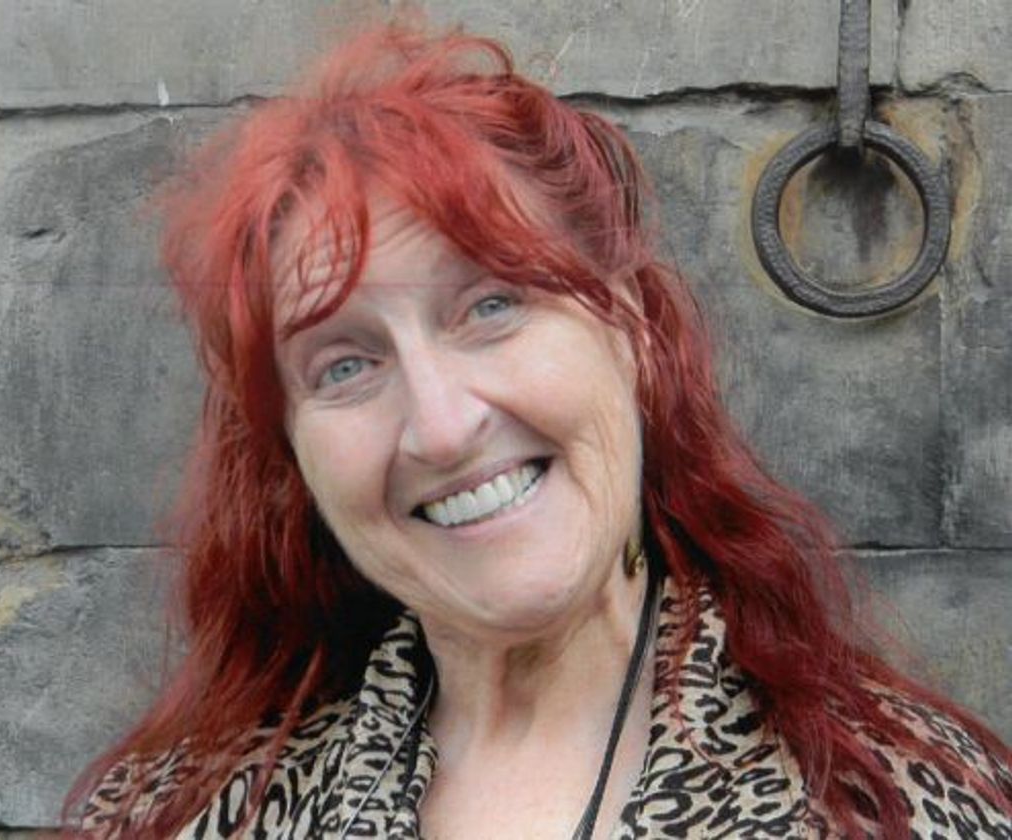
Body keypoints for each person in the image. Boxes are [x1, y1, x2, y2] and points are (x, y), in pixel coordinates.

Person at [66, 21, 1011, 840]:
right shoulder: (178, 814)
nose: (442, 428)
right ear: (295, 457)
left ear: (632, 329)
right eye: (344, 366)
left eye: (490, 306)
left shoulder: (894, 804)